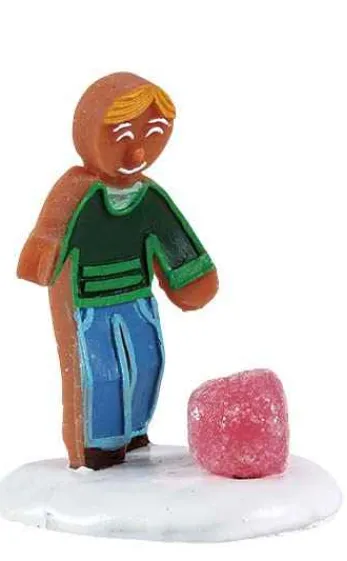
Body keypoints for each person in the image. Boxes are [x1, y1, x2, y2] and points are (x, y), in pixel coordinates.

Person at [18, 73, 219, 469]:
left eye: (154, 134)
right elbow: (48, 237)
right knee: (103, 373)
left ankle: (135, 431)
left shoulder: (149, 196)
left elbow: (173, 237)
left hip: (138, 298)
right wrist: (43, 256)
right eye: (123, 136)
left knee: (148, 362)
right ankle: (102, 444)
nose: (138, 152)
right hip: (89, 304)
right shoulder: (77, 192)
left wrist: (190, 275)